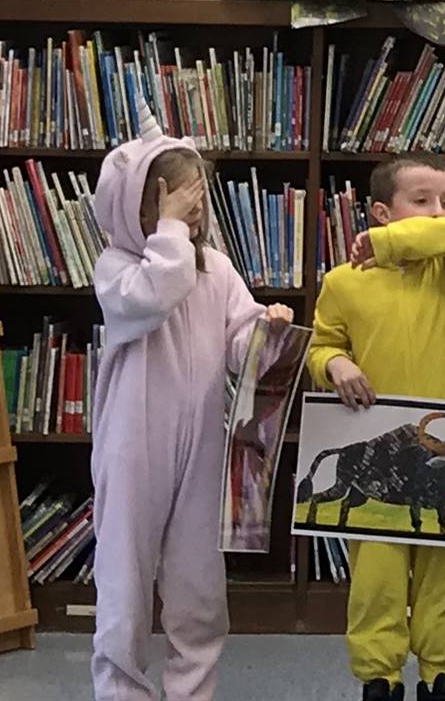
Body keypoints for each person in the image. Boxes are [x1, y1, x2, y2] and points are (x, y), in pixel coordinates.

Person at [89, 105, 295, 701]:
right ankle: (122, 691)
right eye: (177, 200)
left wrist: (267, 329)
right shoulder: (118, 267)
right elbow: (153, 295)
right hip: (134, 443)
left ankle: (192, 691)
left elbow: (240, 347)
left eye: (197, 200)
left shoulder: (218, 269)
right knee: (125, 583)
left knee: (198, 584)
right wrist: (171, 231)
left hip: (203, 442)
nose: (193, 211)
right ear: (139, 207)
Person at [308, 155, 445, 701]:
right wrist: (336, 365)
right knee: (377, 571)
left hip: (441, 448)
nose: (439, 214)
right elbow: (323, 346)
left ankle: (440, 672)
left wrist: (390, 244)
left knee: (443, 563)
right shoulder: (343, 283)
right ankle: (378, 676)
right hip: (380, 452)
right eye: (422, 200)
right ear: (380, 212)